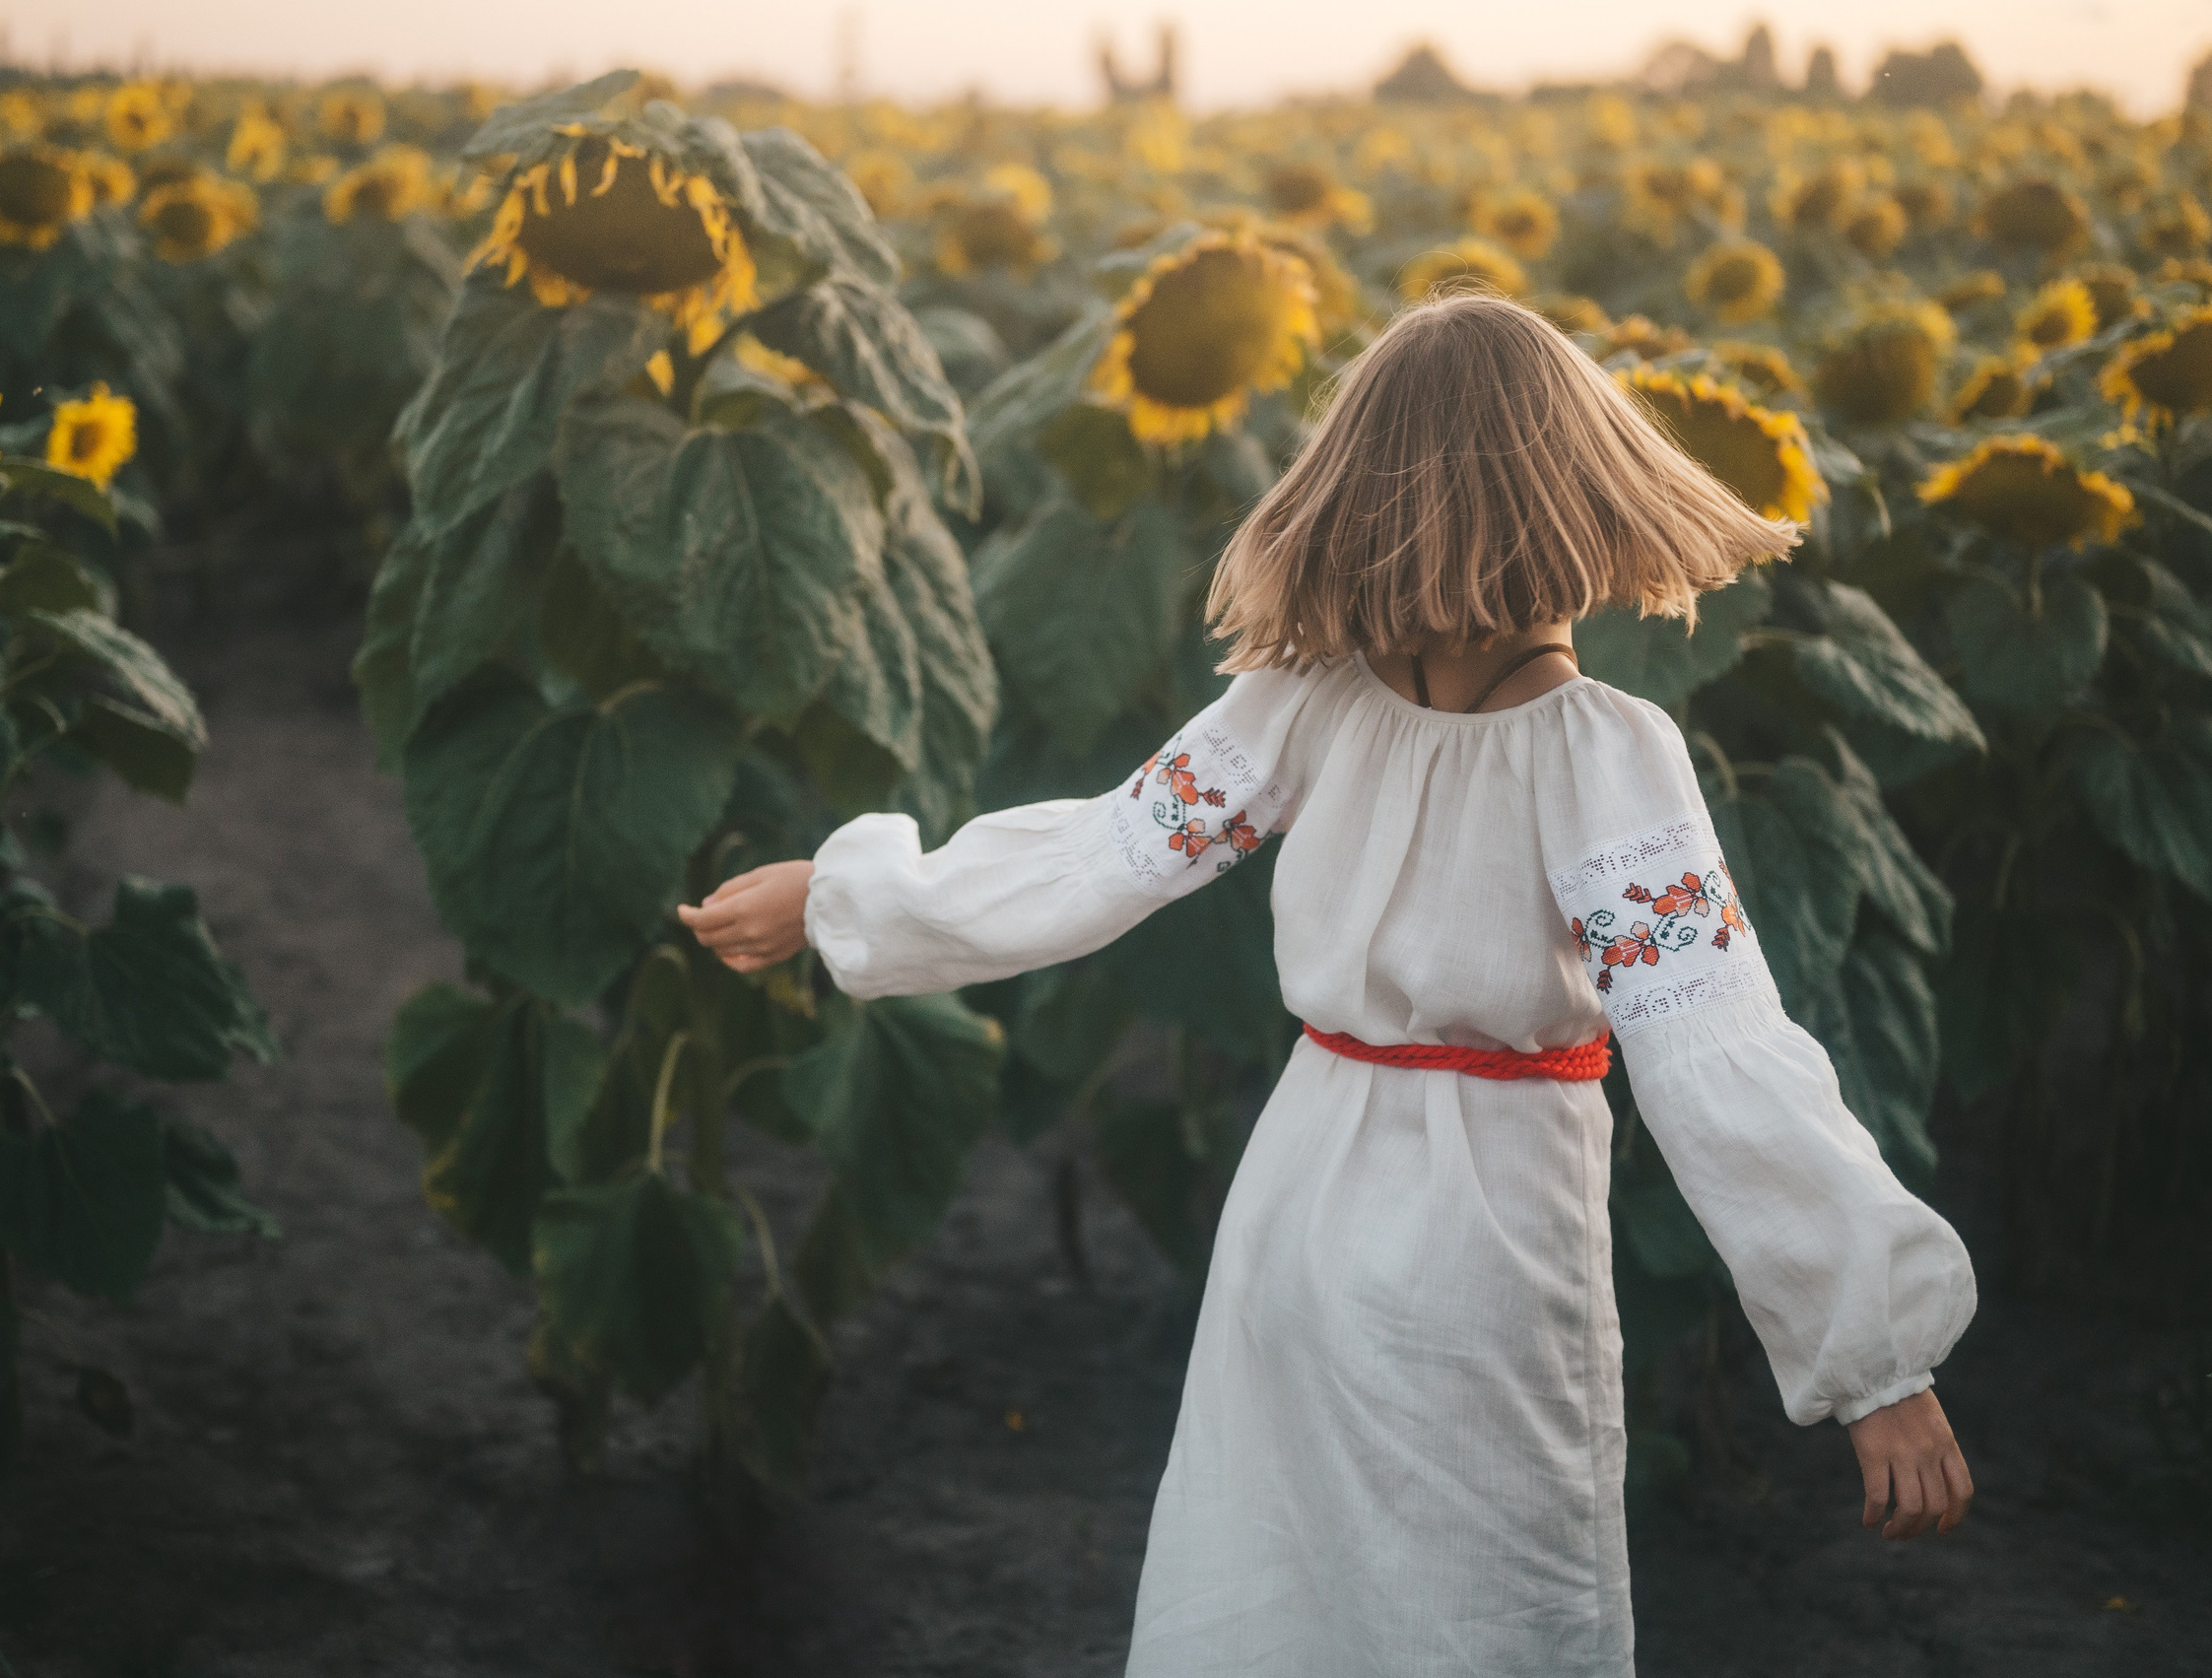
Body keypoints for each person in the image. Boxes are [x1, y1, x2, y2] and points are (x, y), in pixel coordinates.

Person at [676, 292, 1977, 1676]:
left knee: (1279, 1581)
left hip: (1300, 1198)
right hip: (1493, 1225)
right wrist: (1874, 1363)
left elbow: (1100, 858)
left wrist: (838, 891)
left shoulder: (1300, 702)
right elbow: (1715, 1052)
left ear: (1354, 501)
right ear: (1584, 499)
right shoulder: (1610, 751)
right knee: (1489, 1602)